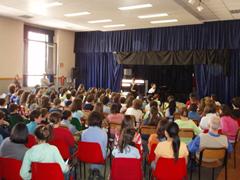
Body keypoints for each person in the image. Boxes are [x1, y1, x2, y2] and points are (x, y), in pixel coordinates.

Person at [82, 111, 108, 178]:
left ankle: (93, 169)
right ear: (100, 121)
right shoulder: (103, 133)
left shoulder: (84, 133)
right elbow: (104, 146)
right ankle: (96, 170)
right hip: (99, 156)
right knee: (108, 151)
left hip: (85, 155)